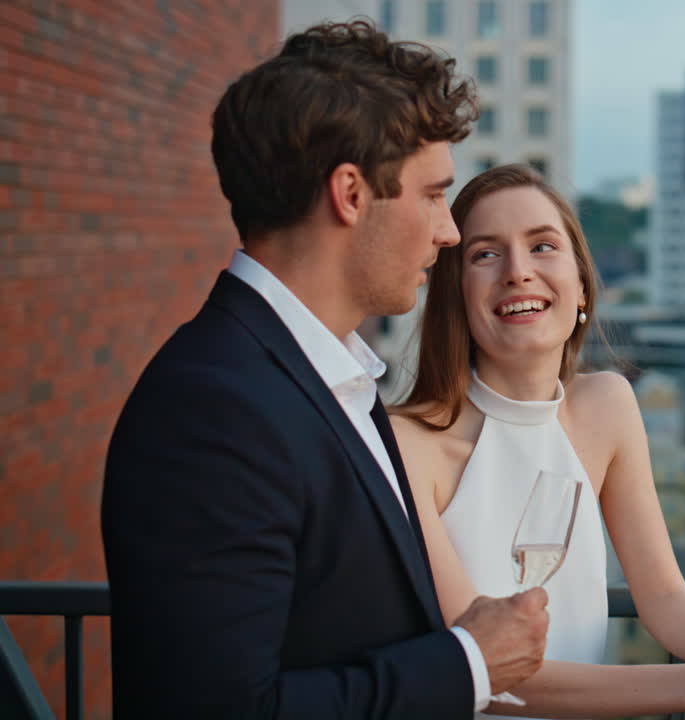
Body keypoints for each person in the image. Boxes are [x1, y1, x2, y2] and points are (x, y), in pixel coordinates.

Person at [101, 21, 549, 719]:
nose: (449, 232)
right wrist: (469, 663)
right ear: (350, 193)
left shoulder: (327, 377)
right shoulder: (212, 408)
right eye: (433, 195)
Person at [391, 164, 685, 718]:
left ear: (581, 285)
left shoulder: (607, 405)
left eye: (543, 246)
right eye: (485, 254)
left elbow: (667, 601)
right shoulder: (409, 443)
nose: (518, 272)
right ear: (455, 298)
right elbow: (481, 669)